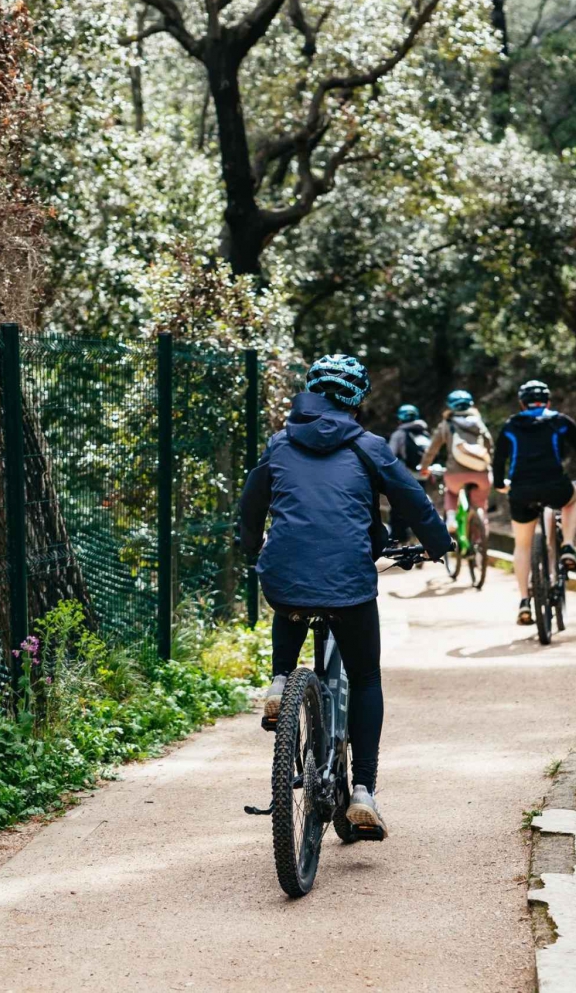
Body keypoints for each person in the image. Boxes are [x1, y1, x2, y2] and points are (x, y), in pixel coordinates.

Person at [237, 355, 452, 837]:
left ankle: (278, 683)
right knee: (365, 676)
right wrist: (438, 544)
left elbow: (250, 507)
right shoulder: (368, 447)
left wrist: (253, 552)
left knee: (289, 596)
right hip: (349, 586)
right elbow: (411, 499)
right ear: (358, 398)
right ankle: (363, 792)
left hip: (286, 577)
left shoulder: (279, 444)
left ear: (310, 391)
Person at [493, 380, 576, 626]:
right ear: (548, 401)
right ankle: (569, 545)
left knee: (522, 545)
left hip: (520, 490)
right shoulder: (560, 421)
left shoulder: (511, 425)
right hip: (555, 486)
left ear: (522, 404)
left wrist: (500, 483)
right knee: (573, 498)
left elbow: (499, 460)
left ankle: (523, 602)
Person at [417, 389, 494, 541]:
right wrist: (488, 461)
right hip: (481, 471)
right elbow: (489, 443)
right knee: (480, 502)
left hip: (455, 472)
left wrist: (424, 466)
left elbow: (432, 449)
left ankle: (450, 518)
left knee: (451, 492)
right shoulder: (478, 422)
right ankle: (480, 534)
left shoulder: (446, 424)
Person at [387, 404, 434, 543]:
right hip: (422, 477)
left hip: (404, 477)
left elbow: (390, 456)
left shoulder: (399, 434)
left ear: (400, 419)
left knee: (398, 508)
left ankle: (397, 538)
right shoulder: (425, 434)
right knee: (420, 504)